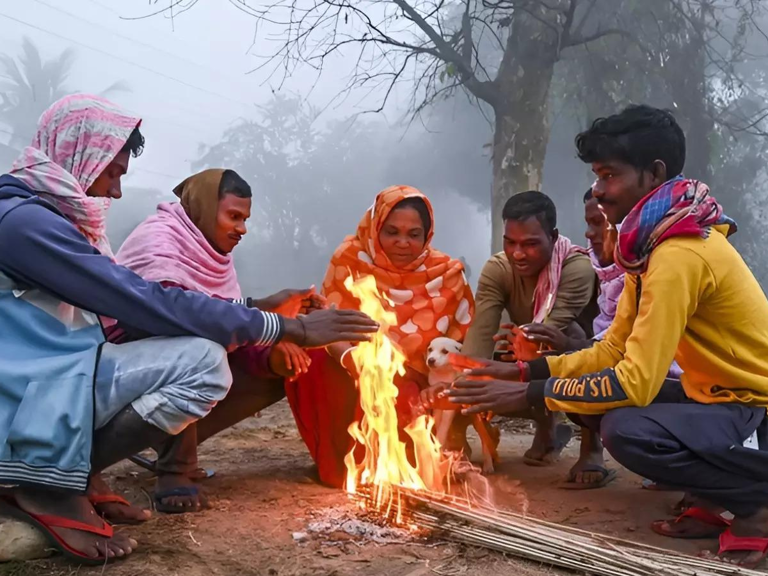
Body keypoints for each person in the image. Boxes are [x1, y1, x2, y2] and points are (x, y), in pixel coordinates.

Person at [0, 94, 378, 565]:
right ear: (79, 155)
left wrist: (264, 316)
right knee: (202, 359)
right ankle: (48, 486)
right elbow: (146, 304)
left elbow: (171, 305)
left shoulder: (50, 218)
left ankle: (77, 473)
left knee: (228, 351)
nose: (116, 193)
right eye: (112, 173)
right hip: (27, 388)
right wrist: (288, 327)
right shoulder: (23, 224)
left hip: (59, 374)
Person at [446, 104, 768, 568]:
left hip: (751, 403)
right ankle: (714, 498)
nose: (598, 190)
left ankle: (756, 505)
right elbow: (614, 348)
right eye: (597, 176)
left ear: (653, 173)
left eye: (609, 176)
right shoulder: (652, 243)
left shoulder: (678, 254)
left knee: (627, 431)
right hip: (711, 393)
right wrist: (522, 370)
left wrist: (532, 392)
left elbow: (634, 381)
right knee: (596, 405)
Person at [98, 168, 322, 515]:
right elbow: (175, 316)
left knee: (281, 362)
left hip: (184, 358)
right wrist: (267, 316)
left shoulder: (211, 253)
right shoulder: (159, 238)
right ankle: (175, 469)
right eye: (233, 216)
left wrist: (273, 338)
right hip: (122, 365)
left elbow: (219, 315)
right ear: (203, 207)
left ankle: (163, 435)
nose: (242, 229)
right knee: (195, 343)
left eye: (245, 219)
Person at [285, 185, 475, 488]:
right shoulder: (349, 259)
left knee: (405, 400)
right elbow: (327, 325)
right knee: (312, 357)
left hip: (422, 383)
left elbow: (466, 349)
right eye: (392, 232)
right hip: (352, 366)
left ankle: (415, 458)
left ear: (427, 235)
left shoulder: (447, 274)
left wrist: (438, 387)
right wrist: (352, 360)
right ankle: (341, 465)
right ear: (375, 229)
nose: (403, 243)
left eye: (414, 234)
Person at [461, 191, 597, 466]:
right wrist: (466, 379)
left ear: (553, 237)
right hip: (523, 352)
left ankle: (592, 448)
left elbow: (546, 334)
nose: (518, 253)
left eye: (530, 243)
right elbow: (480, 334)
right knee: (471, 374)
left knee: (573, 338)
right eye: (510, 242)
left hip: (579, 358)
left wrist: (519, 353)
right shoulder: (498, 269)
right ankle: (548, 429)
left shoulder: (577, 268)